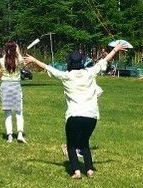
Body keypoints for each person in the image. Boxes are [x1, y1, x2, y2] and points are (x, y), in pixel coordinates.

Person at [24, 41, 129, 178]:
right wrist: (115, 49)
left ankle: (76, 171)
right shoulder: (90, 72)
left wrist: (33, 60)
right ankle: (90, 170)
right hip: (91, 116)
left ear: (69, 63)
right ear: (82, 62)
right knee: (84, 143)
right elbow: (104, 60)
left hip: (74, 115)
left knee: (71, 144)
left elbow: (48, 67)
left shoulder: (66, 76)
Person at [0, 40, 26, 143]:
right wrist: (17, 50)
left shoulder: (1, 60)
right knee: (19, 112)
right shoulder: (19, 60)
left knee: (7, 112)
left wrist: (9, 50)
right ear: (16, 49)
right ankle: (19, 134)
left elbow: (6, 57)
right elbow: (20, 59)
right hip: (16, 86)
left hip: (5, 86)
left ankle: (9, 136)